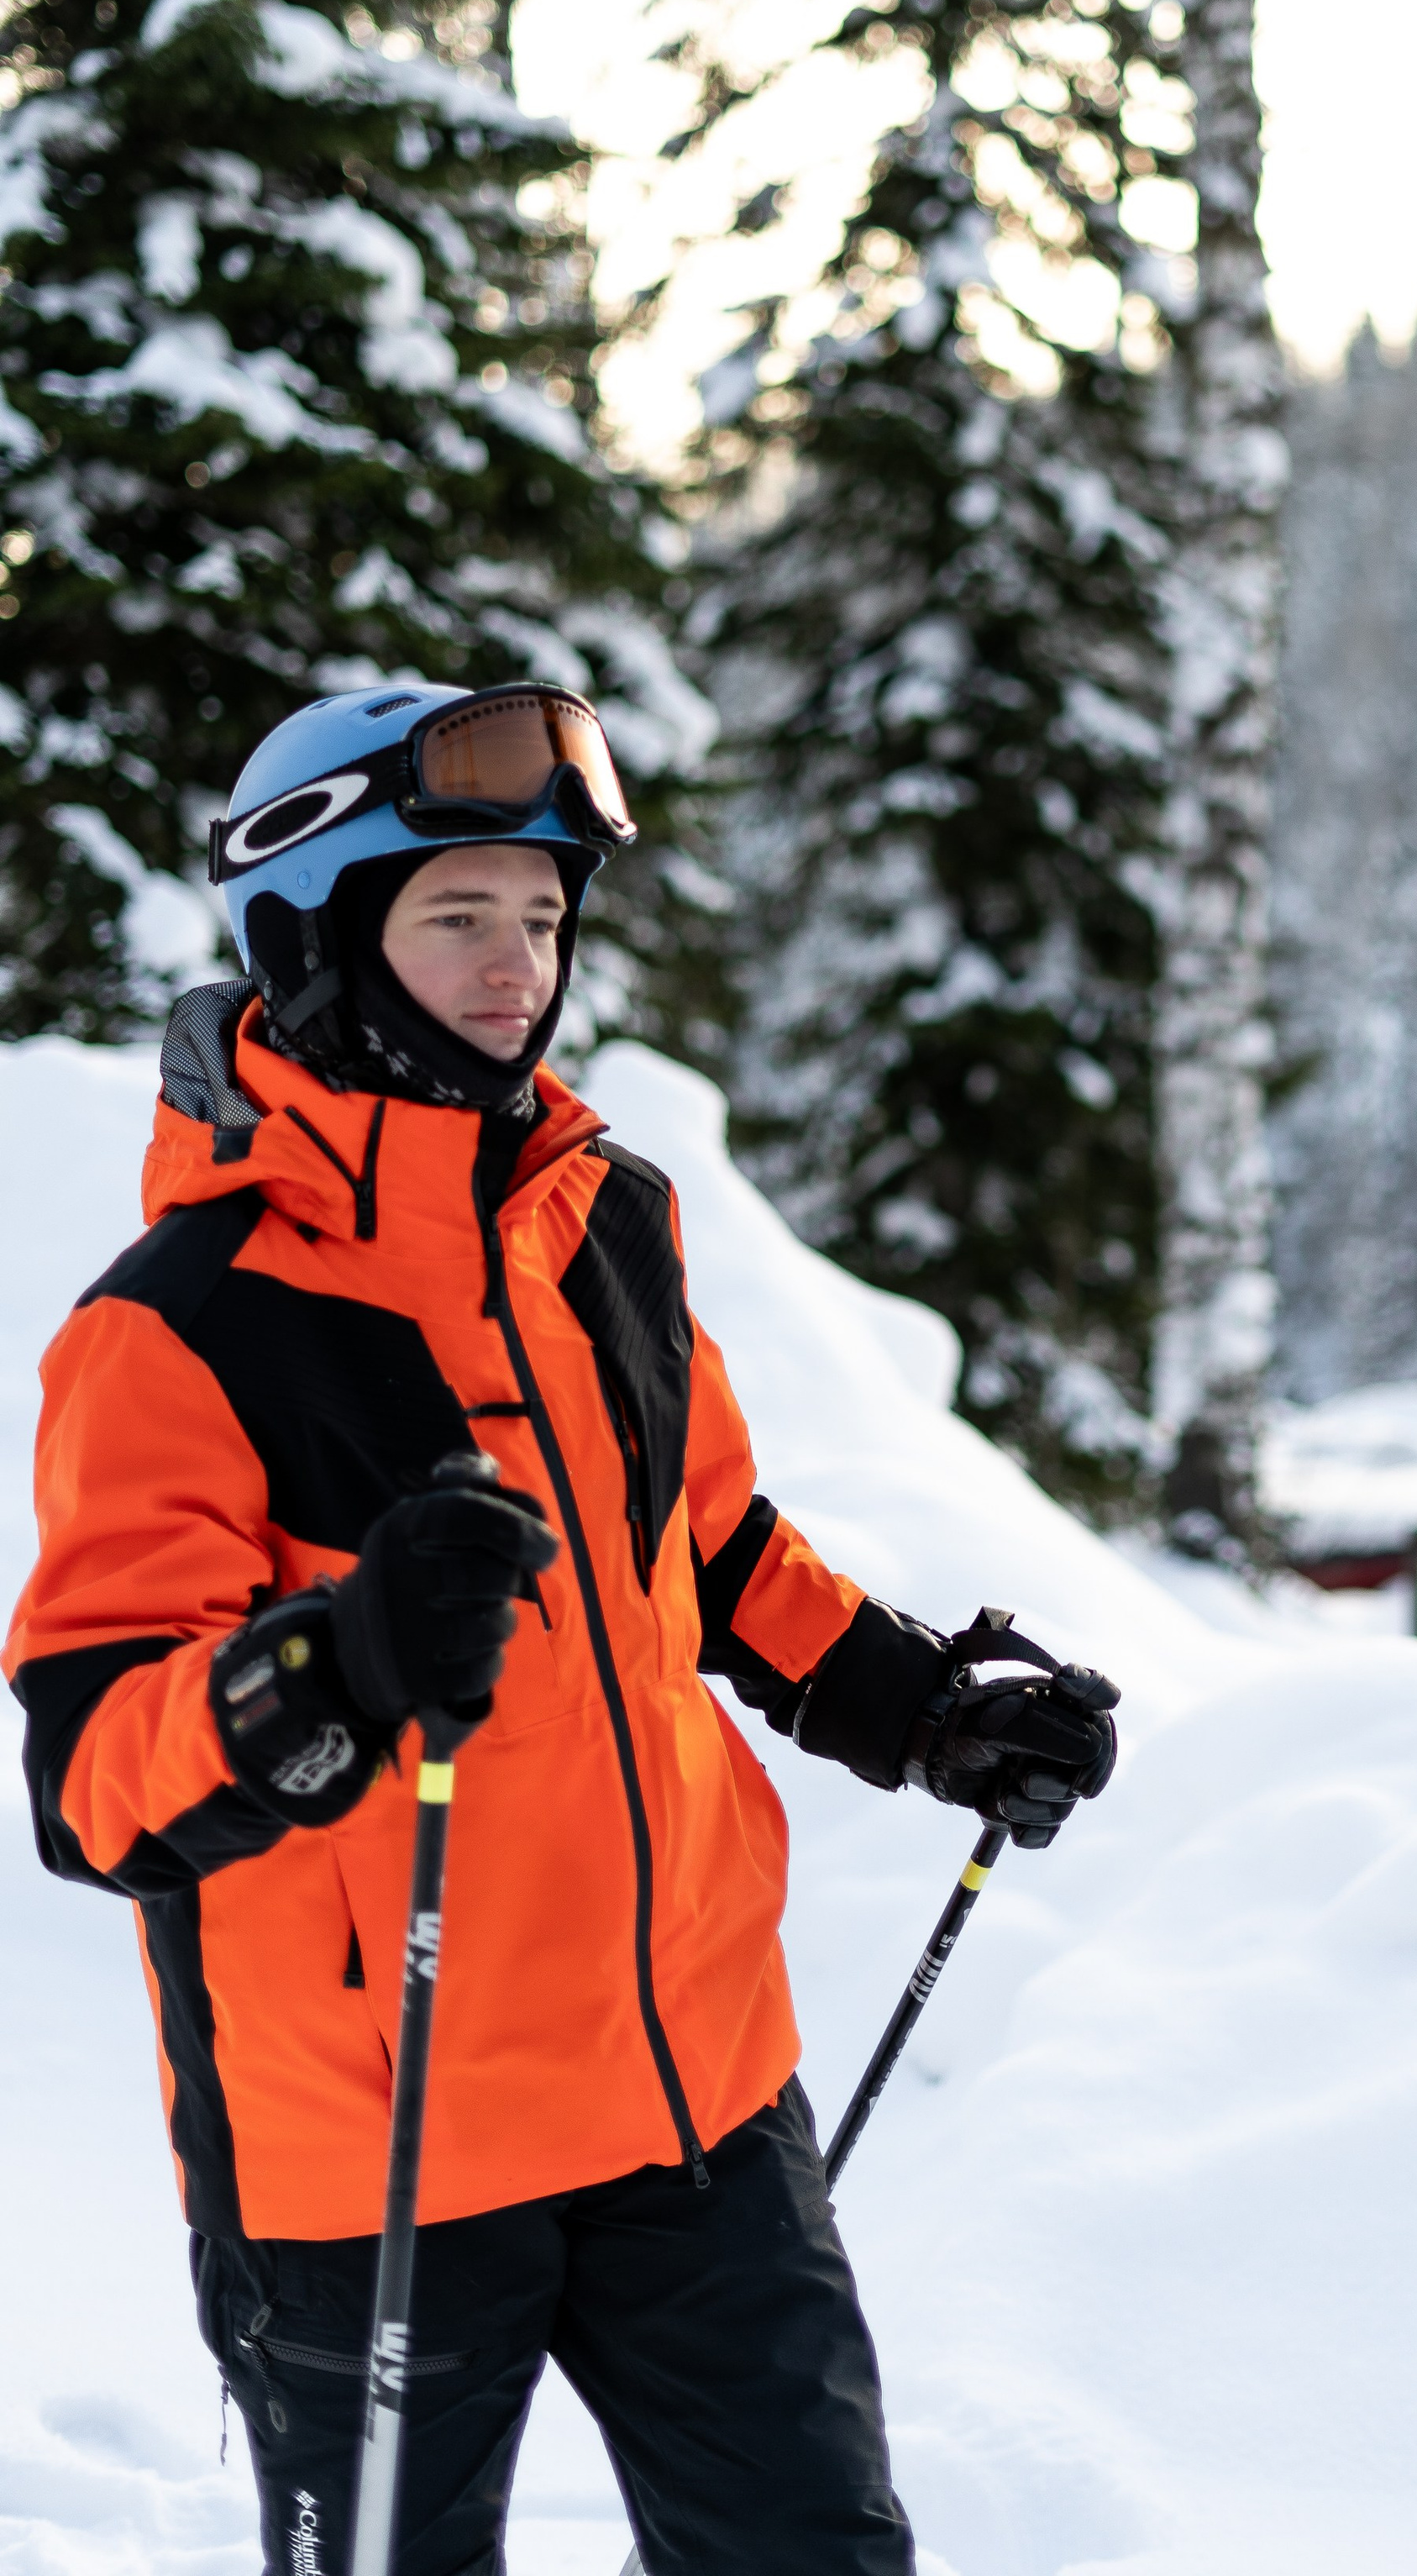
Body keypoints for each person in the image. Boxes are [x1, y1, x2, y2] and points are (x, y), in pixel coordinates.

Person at [3, 681, 1119, 2576]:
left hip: (689, 2080)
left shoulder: (599, 1219)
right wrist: (338, 1660)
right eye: (454, 917)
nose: (516, 967)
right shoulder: (184, 1323)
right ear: (313, 938)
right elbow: (98, 1785)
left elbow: (700, 1542)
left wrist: (921, 1710)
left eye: (539, 915)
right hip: (369, 2152)